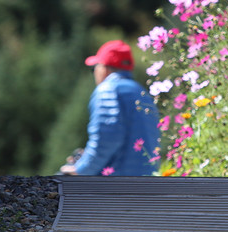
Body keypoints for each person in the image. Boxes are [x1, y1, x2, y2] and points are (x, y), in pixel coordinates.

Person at [60, 40, 161, 176]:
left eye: (94, 68)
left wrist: (80, 169)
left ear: (104, 68)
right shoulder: (141, 92)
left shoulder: (107, 90)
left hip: (116, 187)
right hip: (148, 181)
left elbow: (107, 140)